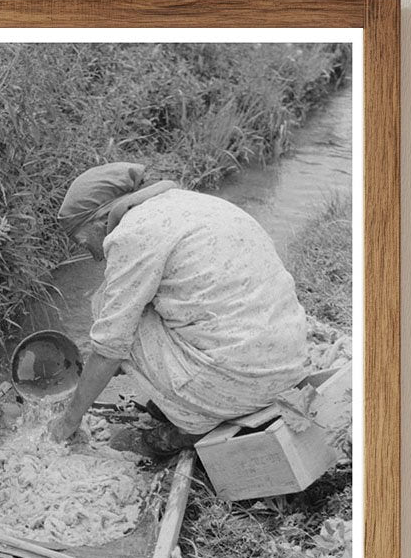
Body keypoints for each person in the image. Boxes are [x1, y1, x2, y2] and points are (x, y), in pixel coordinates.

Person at [47, 162, 308, 455]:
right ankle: (189, 401)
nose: (93, 254)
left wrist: (68, 421)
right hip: (286, 368)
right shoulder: (196, 204)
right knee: (129, 307)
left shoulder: (133, 233)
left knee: (106, 305)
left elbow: (111, 344)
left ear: (102, 219)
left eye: (84, 241)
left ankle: (192, 425)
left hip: (239, 384)